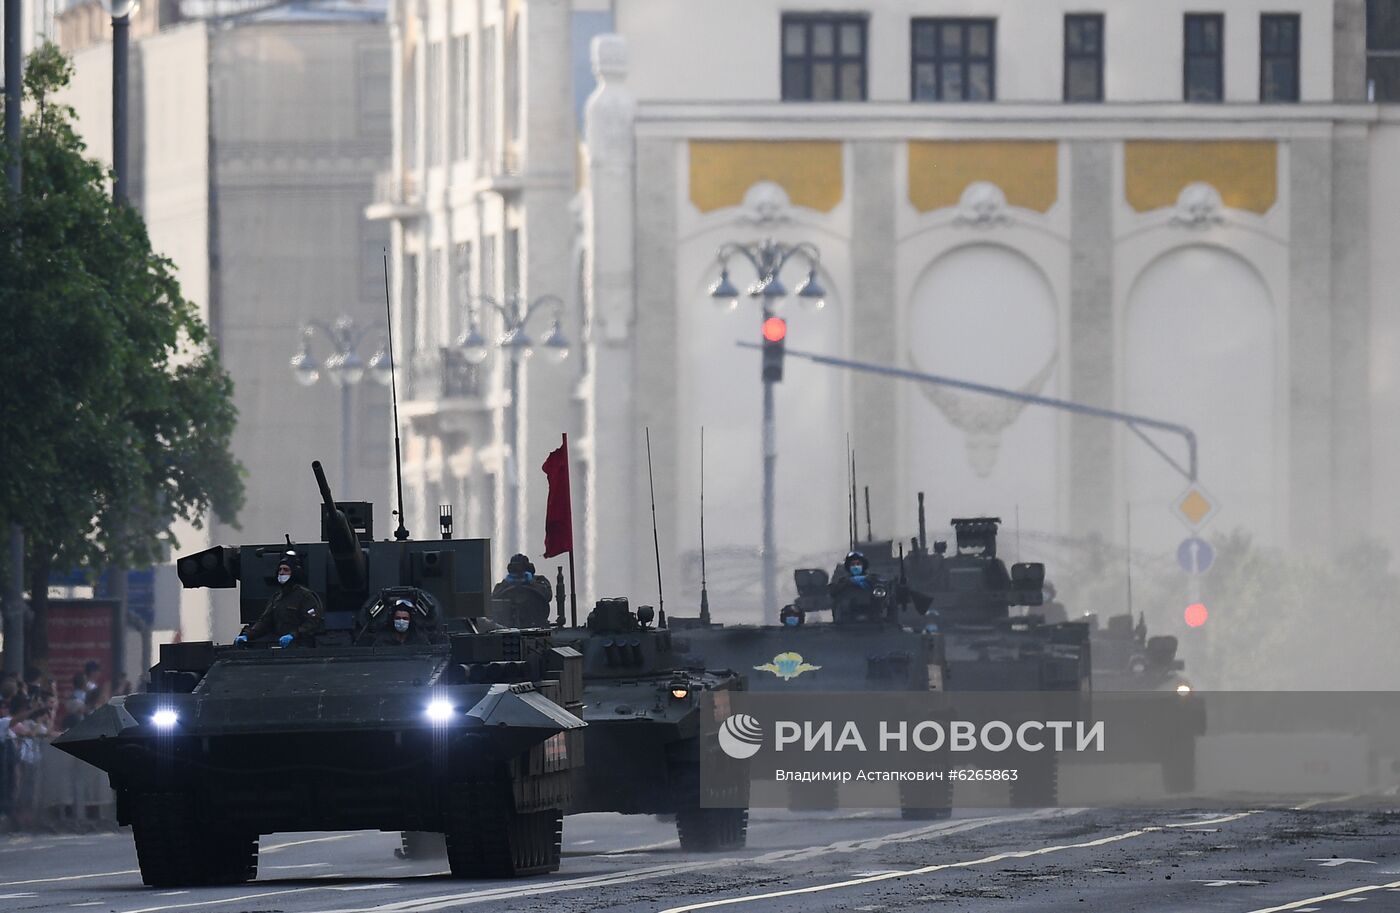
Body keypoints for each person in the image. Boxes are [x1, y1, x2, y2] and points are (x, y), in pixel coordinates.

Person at [236, 553, 325, 647]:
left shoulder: (305, 596)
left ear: (293, 573)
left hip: (302, 645)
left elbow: (313, 621)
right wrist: (248, 635)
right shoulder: (276, 598)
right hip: (281, 645)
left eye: (286, 570)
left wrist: (294, 635)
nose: (282, 572)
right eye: (280, 570)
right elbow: (265, 621)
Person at [490, 553, 553, 628]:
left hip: (537, 625)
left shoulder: (539, 580)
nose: (518, 572)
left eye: (522, 568)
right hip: (507, 627)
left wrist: (530, 583)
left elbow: (547, 595)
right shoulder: (504, 584)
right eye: (515, 569)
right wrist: (507, 584)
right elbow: (494, 600)